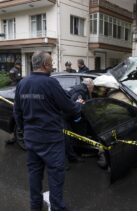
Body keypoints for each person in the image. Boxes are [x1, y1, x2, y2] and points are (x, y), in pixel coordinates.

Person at [13, 51, 83, 211]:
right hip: (51, 140)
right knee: (56, 177)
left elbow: (17, 113)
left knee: (34, 176)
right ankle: (57, 207)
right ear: (45, 65)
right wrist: (80, 103)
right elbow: (69, 108)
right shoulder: (51, 84)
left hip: (32, 140)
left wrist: (25, 132)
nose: (52, 66)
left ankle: (35, 207)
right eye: (51, 63)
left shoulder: (22, 84)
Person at [65, 78, 94, 162]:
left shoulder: (83, 89)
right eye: (92, 87)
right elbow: (74, 107)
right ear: (88, 86)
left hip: (69, 116)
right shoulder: (80, 92)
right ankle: (73, 156)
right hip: (68, 117)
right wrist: (78, 119)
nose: (93, 89)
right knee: (71, 137)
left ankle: (76, 153)